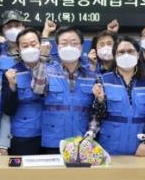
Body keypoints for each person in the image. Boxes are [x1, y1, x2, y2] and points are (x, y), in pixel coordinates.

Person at [32, 26, 97, 154]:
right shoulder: (47, 70)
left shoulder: (91, 75)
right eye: (64, 43)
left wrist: (91, 132)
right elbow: (37, 89)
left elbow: (95, 109)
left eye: (73, 43)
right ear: (57, 47)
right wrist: (43, 58)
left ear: (81, 47)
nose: (69, 47)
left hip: (82, 140)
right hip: (53, 140)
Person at [91, 36, 145, 156]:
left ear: (138, 54)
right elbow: (97, 116)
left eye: (130, 51)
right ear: (115, 56)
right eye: (121, 52)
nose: (126, 55)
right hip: (109, 146)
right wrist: (100, 100)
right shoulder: (103, 80)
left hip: (140, 147)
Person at [2, 28, 50, 155]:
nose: (30, 48)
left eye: (33, 44)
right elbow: (8, 110)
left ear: (40, 45)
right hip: (23, 135)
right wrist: (12, 86)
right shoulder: (11, 72)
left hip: (50, 132)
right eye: (25, 46)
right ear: (18, 50)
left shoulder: (53, 69)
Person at [0, 9, 26, 75]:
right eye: (9, 26)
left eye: (17, 26)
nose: (13, 29)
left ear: (23, 28)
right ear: (3, 29)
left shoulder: (31, 48)